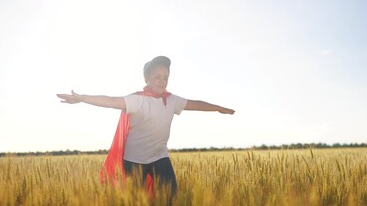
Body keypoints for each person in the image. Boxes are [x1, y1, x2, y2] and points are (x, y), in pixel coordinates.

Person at [56, 56, 235, 201]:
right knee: (137, 201)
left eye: (166, 77)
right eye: (157, 77)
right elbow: (110, 101)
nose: (162, 81)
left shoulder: (171, 100)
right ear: (146, 79)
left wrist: (219, 108)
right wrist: (82, 98)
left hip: (160, 157)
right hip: (134, 162)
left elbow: (195, 104)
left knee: (171, 197)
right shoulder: (138, 100)